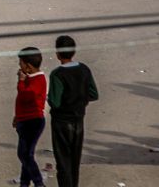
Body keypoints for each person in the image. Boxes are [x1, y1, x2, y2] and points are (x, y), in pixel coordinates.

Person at [49, 36, 98, 187]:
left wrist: (48, 98)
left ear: (57, 53)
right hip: (78, 120)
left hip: (62, 122)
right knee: (74, 161)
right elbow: (93, 94)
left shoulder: (57, 74)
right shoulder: (84, 69)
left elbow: (55, 102)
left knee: (63, 162)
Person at [13, 47, 47, 187]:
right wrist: (17, 116)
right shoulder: (31, 78)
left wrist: (21, 81)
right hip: (24, 120)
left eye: (21, 63)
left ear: (28, 65)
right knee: (26, 154)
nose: (19, 66)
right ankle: (24, 183)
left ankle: (38, 183)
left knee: (25, 155)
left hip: (33, 121)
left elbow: (26, 96)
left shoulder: (38, 79)